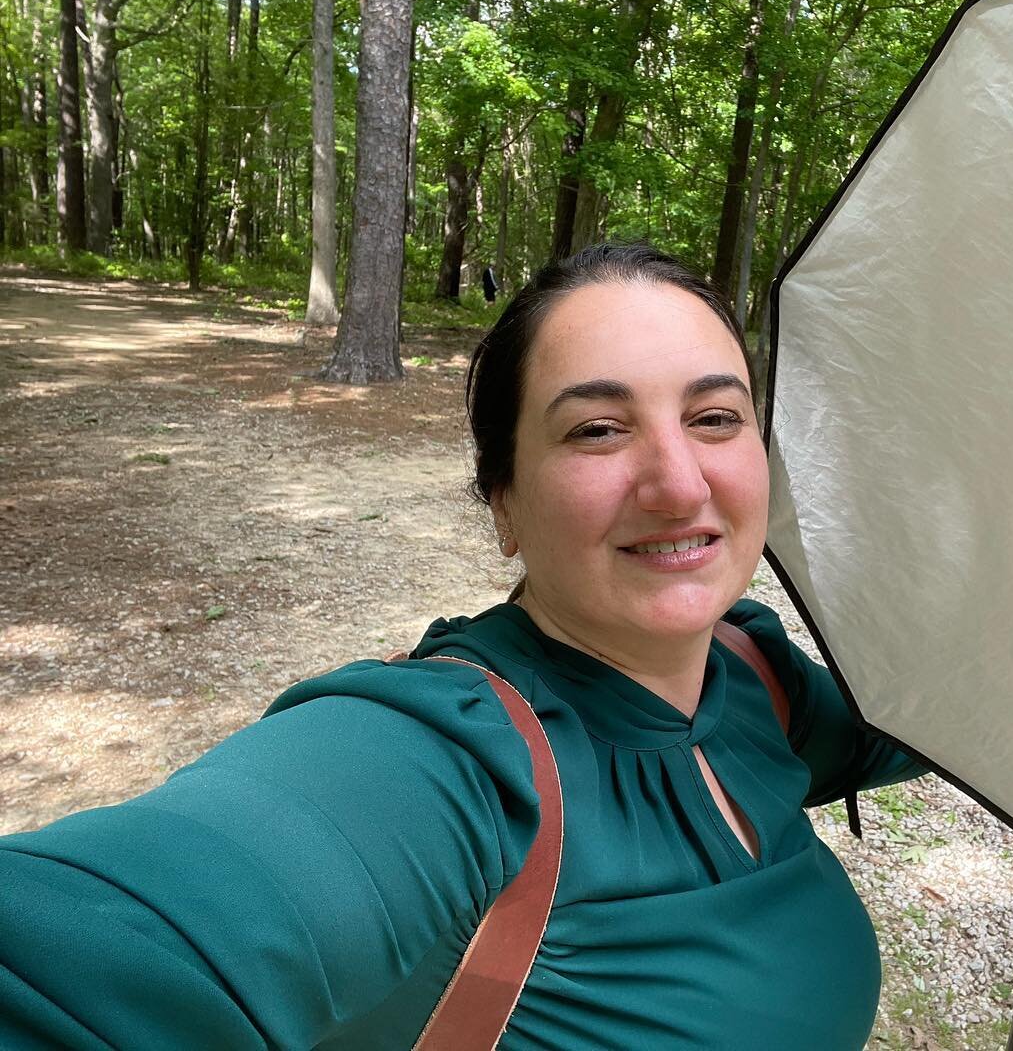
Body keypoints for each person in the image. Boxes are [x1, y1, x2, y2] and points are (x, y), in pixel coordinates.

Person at [0, 242, 925, 1049]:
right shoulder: (446, 760)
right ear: (506, 504)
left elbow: (950, 714)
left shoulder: (756, 680)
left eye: (715, 417)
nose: (680, 484)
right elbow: (71, 954)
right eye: (597, 429)